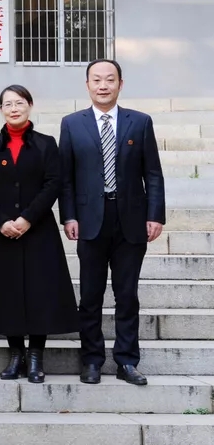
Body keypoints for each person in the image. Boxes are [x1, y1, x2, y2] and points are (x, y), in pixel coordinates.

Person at [59, 59, 165, 386]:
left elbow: (153, 173)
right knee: (90, 296)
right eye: (96, 80)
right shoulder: (72, 124)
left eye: (109, 79)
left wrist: (155, 215)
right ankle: (91, 360)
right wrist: (69, 215)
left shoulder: (140, 122)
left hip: (130, 219)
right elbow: (66, 178)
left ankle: (127, 361)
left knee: (127, 295)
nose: (103, 85)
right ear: (87, 85)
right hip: (90, 221)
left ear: (120, 83)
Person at [0, 85, 78, 383]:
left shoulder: (46, 144)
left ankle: (36, 356)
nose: (14, 108)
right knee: (8, 292)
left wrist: (27, 218)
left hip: (38, 229)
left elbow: (53, 183)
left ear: (29, 105)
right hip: (0, 232)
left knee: (40, 291)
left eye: (19, 103)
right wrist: (1, 220)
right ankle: (16, 353)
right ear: (0, 109)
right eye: (8, 104)